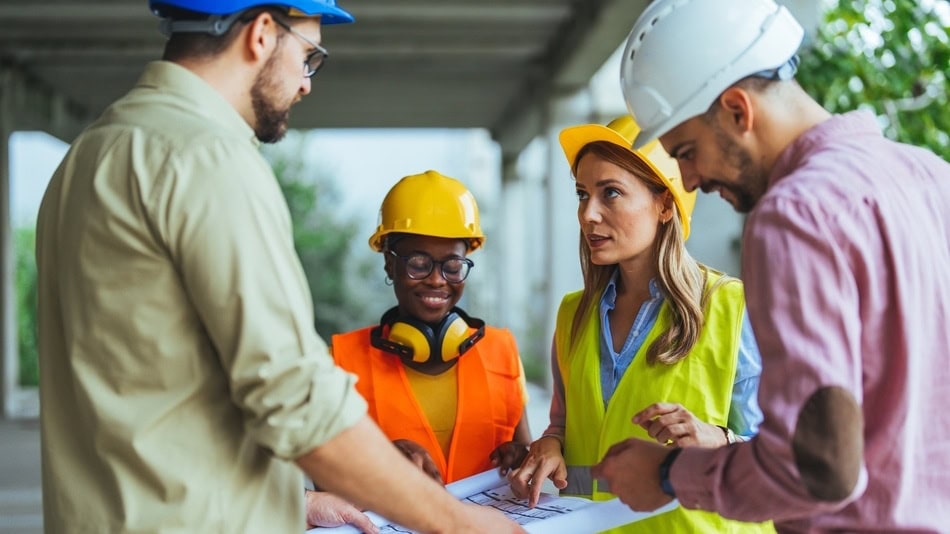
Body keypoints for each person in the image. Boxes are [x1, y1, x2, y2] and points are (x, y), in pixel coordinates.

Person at [34, 1, 523, 532]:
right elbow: (297, 403)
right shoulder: (208, 158)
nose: (306, 83)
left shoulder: (90, 154)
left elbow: (147, 387)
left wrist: (299, 501)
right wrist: (461, 524)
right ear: (263, 34)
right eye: (309, 56)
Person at [593, 0, 950, 532]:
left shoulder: (792, 215)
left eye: (687, 151)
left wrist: (669, 473)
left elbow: (820, 467)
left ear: (738, 110)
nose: (688, 181)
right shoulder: (932, 178)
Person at [505, 115, 771, 533]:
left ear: (665, 204)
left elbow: (782, 458)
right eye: (582, 194)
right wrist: (551, 446)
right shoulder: (573, 315)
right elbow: (567, 432)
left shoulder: (732, 308)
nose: (588, 214)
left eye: (610, 193)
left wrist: (718, 440)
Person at [330, 170, 532, 485]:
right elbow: (325, 484)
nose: (437, 280)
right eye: (418, 264)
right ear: (389, 262)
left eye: (452, 266)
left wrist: (519, 456)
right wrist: (379, 458)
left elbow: (525, 452)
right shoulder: (342, 362)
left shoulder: (501, 351)